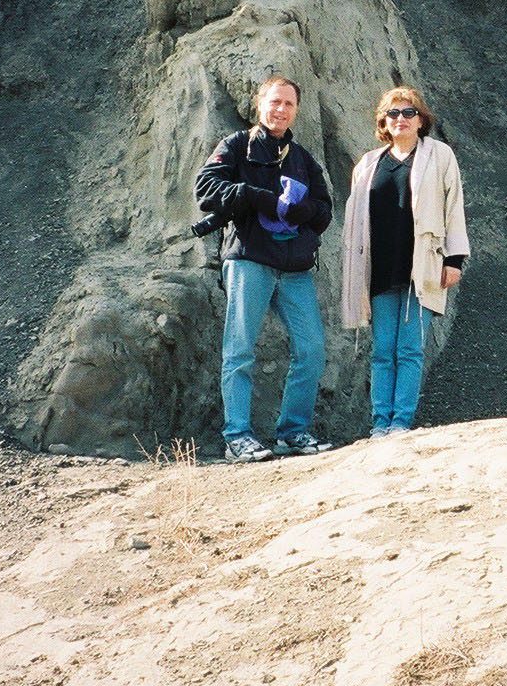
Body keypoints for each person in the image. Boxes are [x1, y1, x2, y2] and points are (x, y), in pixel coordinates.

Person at [195, 76, 335, 462]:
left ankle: (292, 432)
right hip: (249, 261)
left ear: (296, 110)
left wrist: (299, 209)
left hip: (294, 269)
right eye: (274, 102)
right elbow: (205, 189)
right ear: (260, 104)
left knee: (312, 350)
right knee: (239, 350)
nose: (281, 110)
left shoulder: (303, 158)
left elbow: (324, 211)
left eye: (288, 104)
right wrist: (255, 197)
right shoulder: (236, 146)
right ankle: (237, 437)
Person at [341, 86, 469, 436]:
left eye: (408, 113)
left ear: (421, 120)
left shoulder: (439, 155)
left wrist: (454, 259)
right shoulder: (368, 164)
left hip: (421, 265)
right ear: (383, 121)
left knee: (410, 349)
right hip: (380, 268)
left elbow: (453, 206)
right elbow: (355, 222)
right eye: (393, 113)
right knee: (383, 350)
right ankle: (380, 423)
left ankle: (401, 422)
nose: (401, 119)